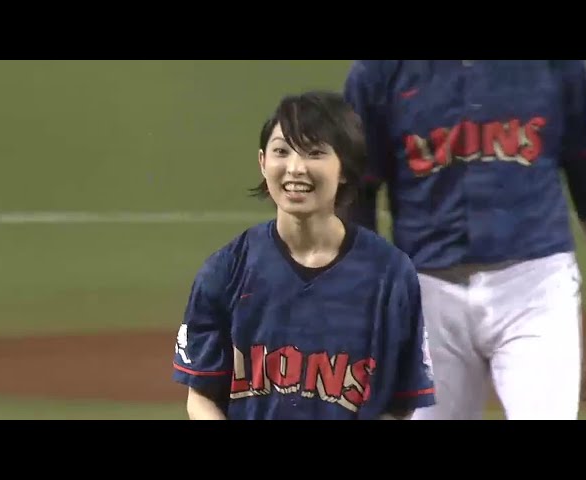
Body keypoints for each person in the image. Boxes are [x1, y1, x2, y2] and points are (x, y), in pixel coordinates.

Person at [342, 60, 586, 420]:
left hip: (535, 287)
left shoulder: (557, 66)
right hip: (426, 294)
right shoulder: (380, 71)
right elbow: (356, 198)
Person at [171, 90, 435, 420]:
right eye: (281, 151)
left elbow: (401, 403)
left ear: (344, 168)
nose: (295, 168)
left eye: (314, 153)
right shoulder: (226, 270)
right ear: (262, 162)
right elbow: (201, 398)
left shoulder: (390, 275)